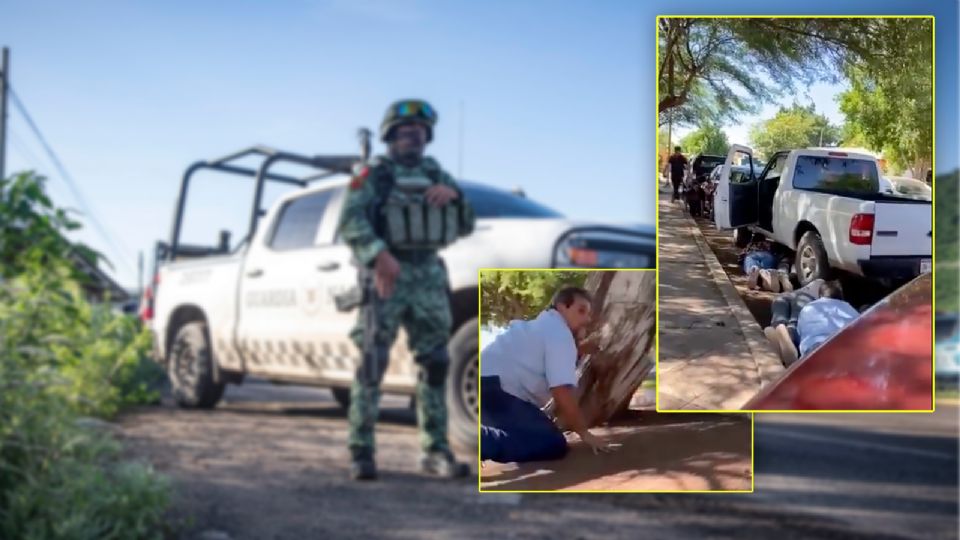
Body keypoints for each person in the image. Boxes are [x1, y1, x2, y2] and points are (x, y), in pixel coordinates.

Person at [337, 99, 475, 481]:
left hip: (429, 275)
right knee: (372, 363)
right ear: (390, 136)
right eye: (404, 131)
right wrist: (378, 255)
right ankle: (360, 450)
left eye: (419, 131)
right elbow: (350, 220)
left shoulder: (438, 176)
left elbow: (464, 225)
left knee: (435, 364)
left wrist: (457, 199)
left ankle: (435, 451)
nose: (412, 137)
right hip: (387, 277)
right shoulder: (373, 174)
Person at [479, 287, 615, 463]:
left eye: (588, 314)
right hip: (500, 391)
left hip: (483, 386)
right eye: (581, 311)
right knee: (551, 443)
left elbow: (545, 358)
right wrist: (584, 433)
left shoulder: (543, 326)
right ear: (561, 307)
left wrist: (579, 351)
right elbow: (561, 391)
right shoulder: (560, 333)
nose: (586, 320)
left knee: (538, 431)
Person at [764, 280, 857, 366]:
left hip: (813, 348)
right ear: (842, 296)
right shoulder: (852, 310)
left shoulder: (809, 306)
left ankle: (787, 335)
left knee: (798, 327)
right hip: (844, 352)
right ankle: (789, 348)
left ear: (820, 296)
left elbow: (802, 330)